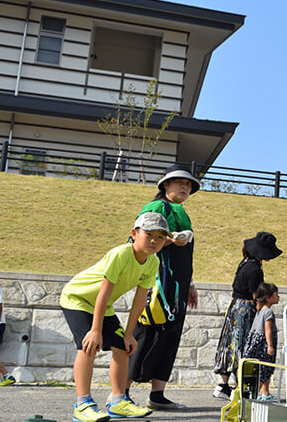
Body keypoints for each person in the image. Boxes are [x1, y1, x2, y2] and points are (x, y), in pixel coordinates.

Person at [60, 212, 169, 421]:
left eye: (160, 237)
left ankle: (118, 401)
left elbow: (139, 301)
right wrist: (95, 330)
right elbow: (104, 292)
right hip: (78, 299)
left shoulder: (153, 262)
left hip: (103, 305)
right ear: (134, 233)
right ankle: (82, 405)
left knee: (123, 347)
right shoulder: (121, 254)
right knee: (89, 345)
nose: (154, 240)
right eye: (149, 234)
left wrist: (129, 334)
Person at [127, 164, 200, 410]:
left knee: (170, 335)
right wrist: (170, 240)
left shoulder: (182, 212)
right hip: (156, 279)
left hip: (178, 284)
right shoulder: (156, 207)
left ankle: (157, 394)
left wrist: (190, 283)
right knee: (144, 333)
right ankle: (121, 392)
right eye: (180, 182)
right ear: (166, 184)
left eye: (189, 184)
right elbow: (137, 240)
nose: (185, 187)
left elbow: (186, 253)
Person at [213, 232, 281, 400]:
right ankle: (239, 387)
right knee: (245, 345)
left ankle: (223, 384)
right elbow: (255, 295)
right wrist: (261, 313)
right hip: (245, 309)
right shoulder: (255, 269)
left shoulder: (244, 263)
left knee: (230, 345)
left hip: (235, 306)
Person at [245, 283, 280, 402]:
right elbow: (267, 329)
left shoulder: (259, 311)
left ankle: (265, 393)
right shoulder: (268, 312)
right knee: (265, 370)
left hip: (255, 344)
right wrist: (270, 346)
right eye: (276, 295)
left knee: (261, 370)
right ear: (268, 298)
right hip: (264, 344)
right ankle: (253, 395)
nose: (278, 297)